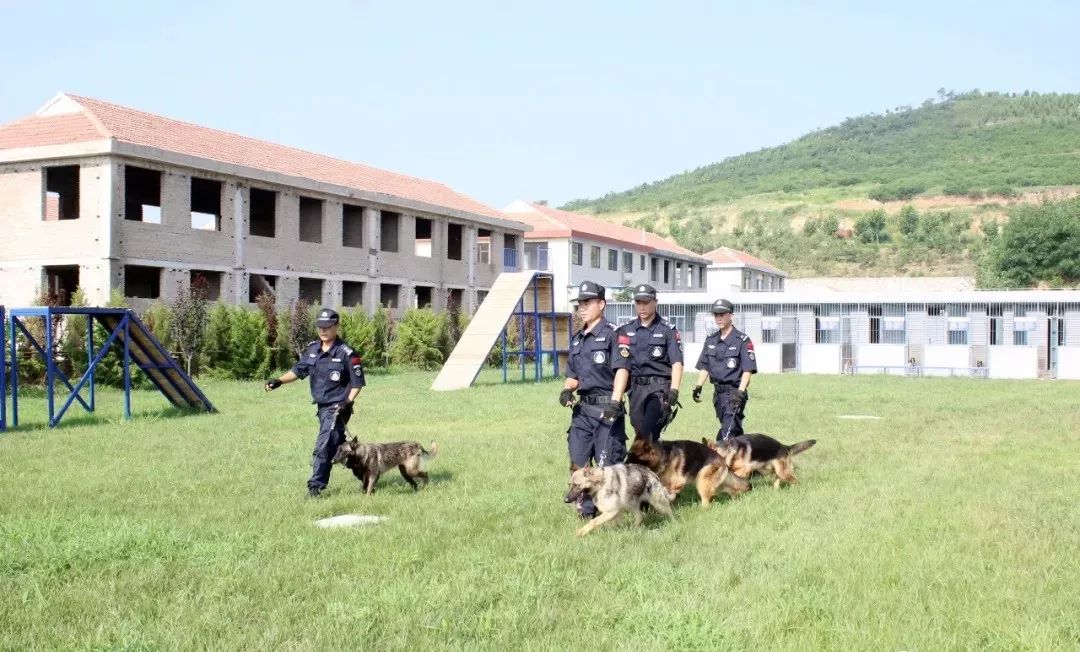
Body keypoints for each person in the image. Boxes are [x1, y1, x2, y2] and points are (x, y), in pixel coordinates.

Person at [264, 307, 365, 497]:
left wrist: (347, 402)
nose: (323, 330)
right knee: (338, 445)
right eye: (320, 326)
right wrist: (278, 381)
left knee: (324, 445)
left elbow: (357, 383)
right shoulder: (312, 349)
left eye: (327, 326)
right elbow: (298, 370)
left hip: (338, 407)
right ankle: (366, 472)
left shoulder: (347, 353)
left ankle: (315, 487)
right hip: (321, 407)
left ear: (336, 326)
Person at [558, 281, 630, 518]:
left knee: (606, 466)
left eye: (588, 302)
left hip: (606, 409)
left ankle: (608, 512)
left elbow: (622, 369)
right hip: (582, 412)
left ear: (602, 304)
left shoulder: (614, 334)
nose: (582, 307)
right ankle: (585, 509)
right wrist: (567, 390)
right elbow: (573, 376)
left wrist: (615, 402)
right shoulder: (578, 339)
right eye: (580, 303)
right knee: (578, 461)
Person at [615, 284, 683, 440]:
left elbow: (677, 363)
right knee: (640, 431)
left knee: (645, 433)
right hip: (636, 389)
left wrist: (674, 390)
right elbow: (621, 364)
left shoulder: (667, 330)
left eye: (646, 302)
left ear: (655, 302)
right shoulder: (626, 330)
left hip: (659, 389)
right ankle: (659, 458)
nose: (642, 307)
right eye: (638, 303)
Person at [691, 299, 757, 441]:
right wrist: (698, 386)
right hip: (718, 394)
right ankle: (744, 456)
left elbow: (748, 370)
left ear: (731, 316)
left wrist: (740, 392)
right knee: (733, 430)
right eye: (716, 315)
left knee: (727, 433)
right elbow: (705, 365)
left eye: (722, 314)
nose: (719, 318)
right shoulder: (711, 340)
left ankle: (719, 457)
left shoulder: (742, 340)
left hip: (734, 392)